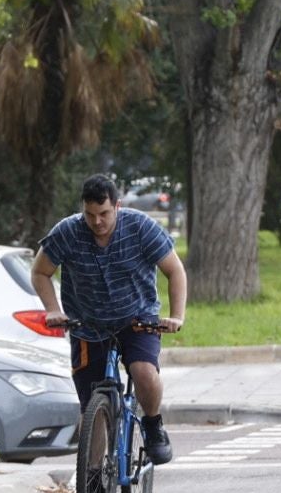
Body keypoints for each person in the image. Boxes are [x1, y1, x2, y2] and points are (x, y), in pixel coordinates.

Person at [33, 173, 187, 474]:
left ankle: (154, 425)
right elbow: (40, 272)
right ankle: (91, 479)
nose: (97, 222)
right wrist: (52, 309)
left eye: (104, 214)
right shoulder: (67, 232)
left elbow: (175, 271)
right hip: (87, 325)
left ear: (117, 206)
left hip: (137, 319)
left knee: (143, 372)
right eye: (90, 215)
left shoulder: (140, 227)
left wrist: (177, 316)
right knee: (93, 405)